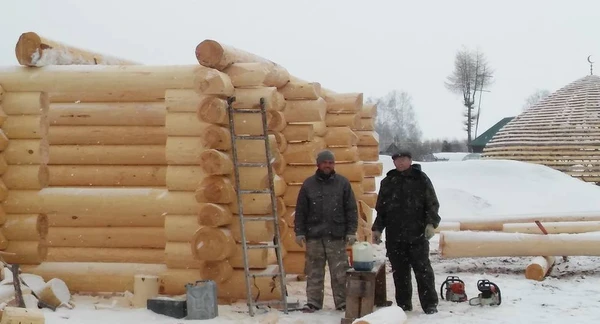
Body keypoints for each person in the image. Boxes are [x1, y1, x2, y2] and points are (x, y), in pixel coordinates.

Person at [371, 150, 441, 314]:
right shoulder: (388, 182)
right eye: (397, 160)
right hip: (395, 236)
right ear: (394, 162)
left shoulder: (421, 179)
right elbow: (381, 209)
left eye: (404, 159)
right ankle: (403, 304)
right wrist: (377, 229)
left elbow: (432, 203)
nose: (401, 162)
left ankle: (430, 304)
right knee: (399, 273)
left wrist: (431, 223)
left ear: (410, 160)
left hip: (417, 234)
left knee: (423, 271)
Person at [294, 149, 358, 312]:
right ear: (318, 164)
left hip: (336, 235)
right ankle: (313, 302)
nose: (328, 165)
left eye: (330, 163)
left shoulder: (343, 183)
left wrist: (351, 231)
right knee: (314, 272)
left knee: (340, 273)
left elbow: (351, 209)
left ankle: (342, 302)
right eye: (325, 162)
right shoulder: (308, 184)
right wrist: (299, 232)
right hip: (314, 236)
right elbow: (301, 210)